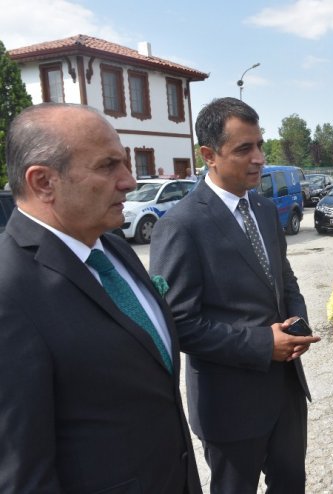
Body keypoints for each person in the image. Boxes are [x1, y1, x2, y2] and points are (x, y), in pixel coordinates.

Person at [0, 103, 201, 493]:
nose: (128, 181)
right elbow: (22, 472)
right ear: (43, 182)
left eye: (125, 164)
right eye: (108, 166)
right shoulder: (9, 290)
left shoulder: (112, 247)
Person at [149, 97, 321, 494]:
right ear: (208, 155)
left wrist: (297, 326)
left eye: (260, 145)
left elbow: (284, 277)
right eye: (244, 149)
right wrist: (264, 343)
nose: (259, 158)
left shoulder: (261, 208)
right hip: (230, 405)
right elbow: (178, 323)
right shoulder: (181, 225)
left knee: (292, 483)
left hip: (286, 392)